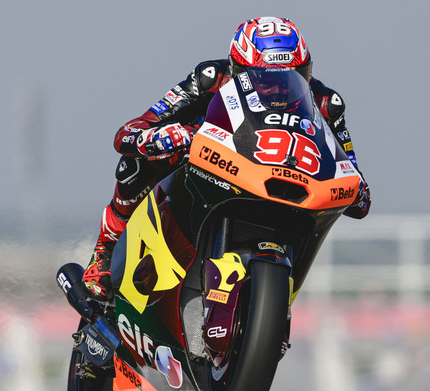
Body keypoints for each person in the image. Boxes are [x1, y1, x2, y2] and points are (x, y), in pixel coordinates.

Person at [82, 16, 371, 302]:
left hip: (284, 187)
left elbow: (353, 176)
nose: (280, 88)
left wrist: (356, 189)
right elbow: (130, 133)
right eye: (267, 80)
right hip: (214, 168)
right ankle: (105, 250)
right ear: (237, 70)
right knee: (134, 164)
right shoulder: (210, 78)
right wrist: (161, 137)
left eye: (293, 77)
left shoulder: (326, 102)